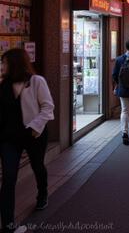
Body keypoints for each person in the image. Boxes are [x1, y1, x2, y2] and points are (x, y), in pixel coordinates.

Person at [0, 48, 55, 233]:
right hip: (9, 138)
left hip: (33, 134)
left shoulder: (36, 82)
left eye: (5, 63)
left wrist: (33, 129)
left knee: (37, 165)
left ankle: (42, 194)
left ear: (14, 64)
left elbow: (48, 107)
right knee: (8, 178)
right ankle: (8, 224)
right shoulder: (4, 85)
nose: (2, 66)